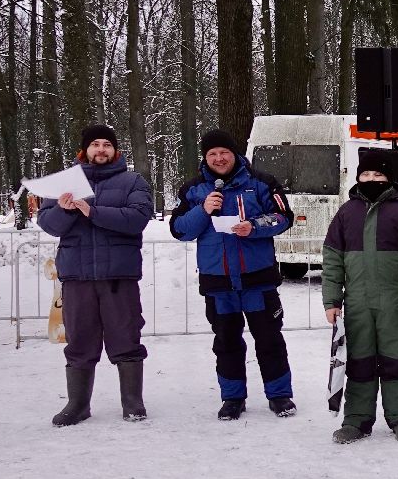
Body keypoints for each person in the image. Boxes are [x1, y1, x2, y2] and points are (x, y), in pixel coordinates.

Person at [169, 128, 296, 420]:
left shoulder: (262, 183)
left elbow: (283, 217)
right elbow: (179, 230)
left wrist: (255, 226)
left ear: (235, 154)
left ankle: (279, 395)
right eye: (212, 154)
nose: (219, 158)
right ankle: (232, 398)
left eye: (224, 152)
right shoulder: (193, 189)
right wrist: (203, 210)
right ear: (205, 158)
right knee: (226, 342)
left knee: (269, 339)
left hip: (258, 279)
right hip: (218, 283)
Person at [38, 124, 154, 426]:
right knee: (79, 341)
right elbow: (48, 224)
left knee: (126, 337)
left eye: (106, 144)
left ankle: (132, 402)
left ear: (115, 150)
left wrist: (93, 212)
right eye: (95, 145)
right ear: (85, 150)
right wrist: (63, 210)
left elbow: (138, 218)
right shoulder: (65, 182)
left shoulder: (133, 181)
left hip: (119, 277)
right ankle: (77, 405)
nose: (100, 149)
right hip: (77, 277)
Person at [323, 150, 398, 444]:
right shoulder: (347, 212)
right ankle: (356, 420)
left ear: (389, 179)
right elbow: (332, 258)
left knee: (396, 359)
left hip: (395, 302)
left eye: (378, 175)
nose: (372, 179)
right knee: (359, 361)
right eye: (366, 175)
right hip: (356, 302)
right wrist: (331, 300)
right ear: (358, 177)